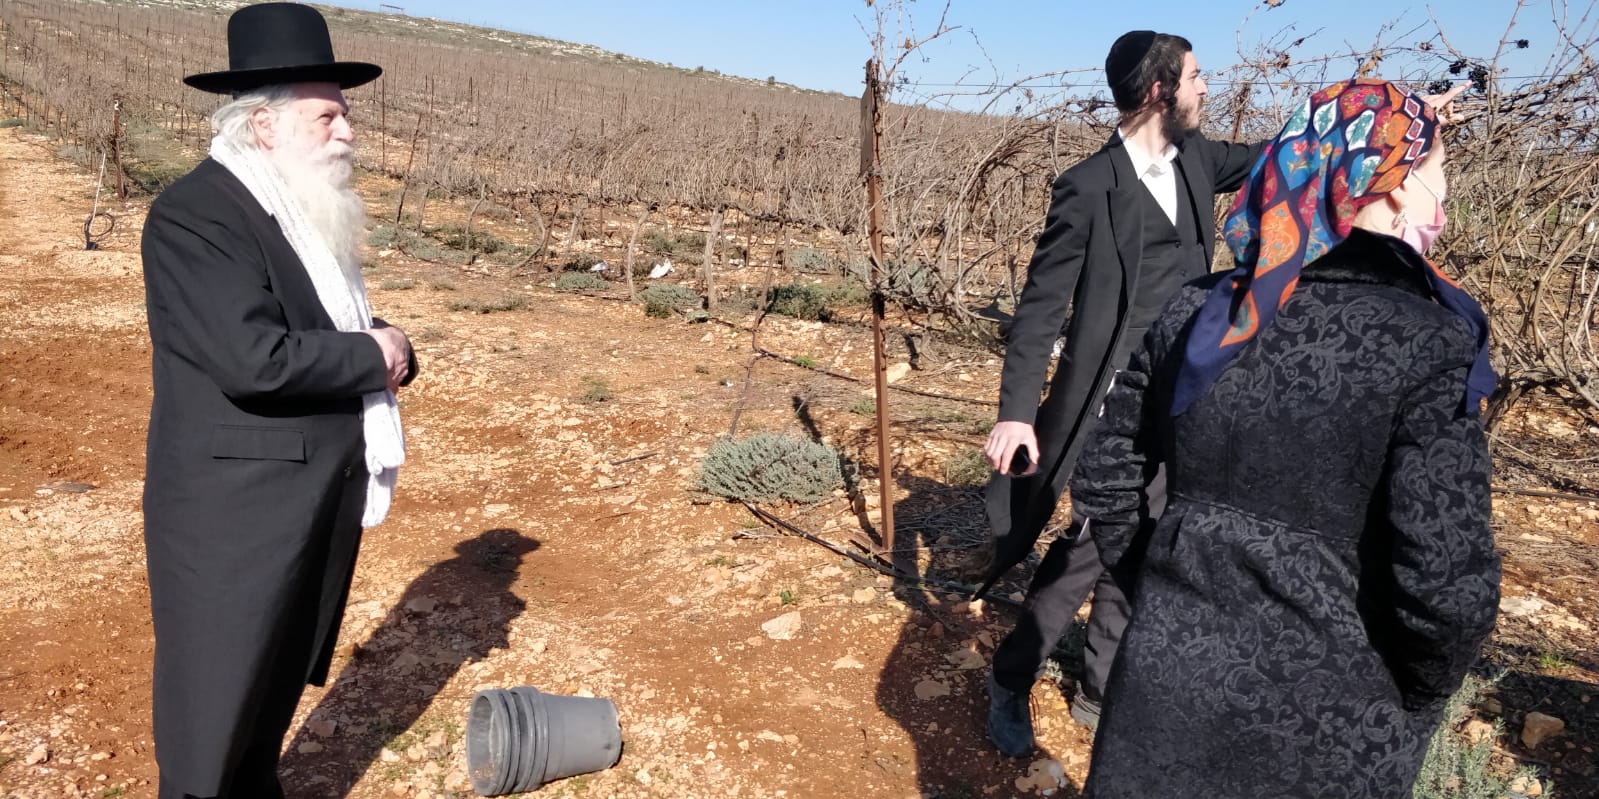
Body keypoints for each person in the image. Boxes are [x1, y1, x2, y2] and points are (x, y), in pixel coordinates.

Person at [1069, 78, 1499, 798]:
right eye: (1438, 175)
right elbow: (1445, 580)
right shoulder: (1429, 341)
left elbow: (1107, 475)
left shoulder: (1197, 310)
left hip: (1169, 675)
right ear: (1396, 188)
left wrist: (1163, 581)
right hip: (1335, 710)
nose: (1444, 202)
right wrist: (1421, 690)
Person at [140, 4, 416, 797]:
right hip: (235, 514)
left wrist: (386, 346)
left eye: (344, 115)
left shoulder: (289, 206)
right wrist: (375, 353)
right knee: (213, 713)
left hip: (302, 498)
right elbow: (253, 358)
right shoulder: (197, 215)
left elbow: (328, 321)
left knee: (264, 700)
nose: (347, 132)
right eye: (328, 116)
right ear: (265, 125)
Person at [980, 30, 1264, 755]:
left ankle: (1100, 688)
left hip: (1183, 397)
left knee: (1145, 539)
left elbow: (1287, 150)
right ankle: (1011, 675)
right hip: (1111, 403)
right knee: (1088, 544)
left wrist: (1404, 114)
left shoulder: (1199, 159)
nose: (1207, 88)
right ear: (1159, 90)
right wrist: (1016, 412)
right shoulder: (1088, 185)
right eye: (1196, 77)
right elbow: (1041, 306)